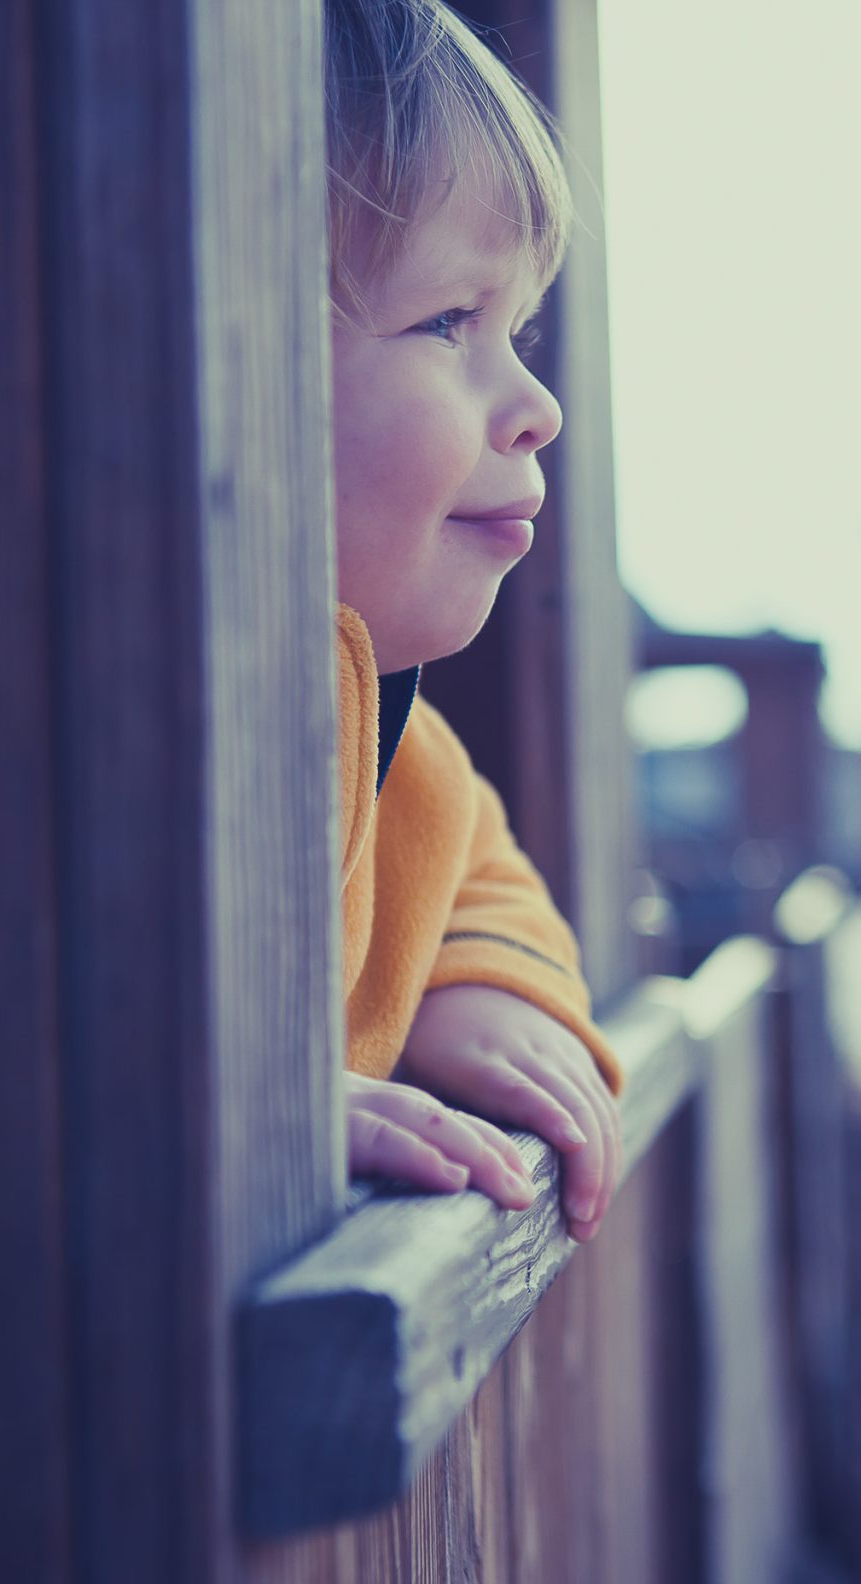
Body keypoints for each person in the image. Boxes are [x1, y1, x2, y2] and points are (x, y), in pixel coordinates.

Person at [324, 0, 623, 1242]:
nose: (536, 404)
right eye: (451, 321)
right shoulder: (107, 719)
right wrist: (239, 1119)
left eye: (519, 330)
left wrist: (474, 992)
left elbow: (478, 873)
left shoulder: (400, 744)